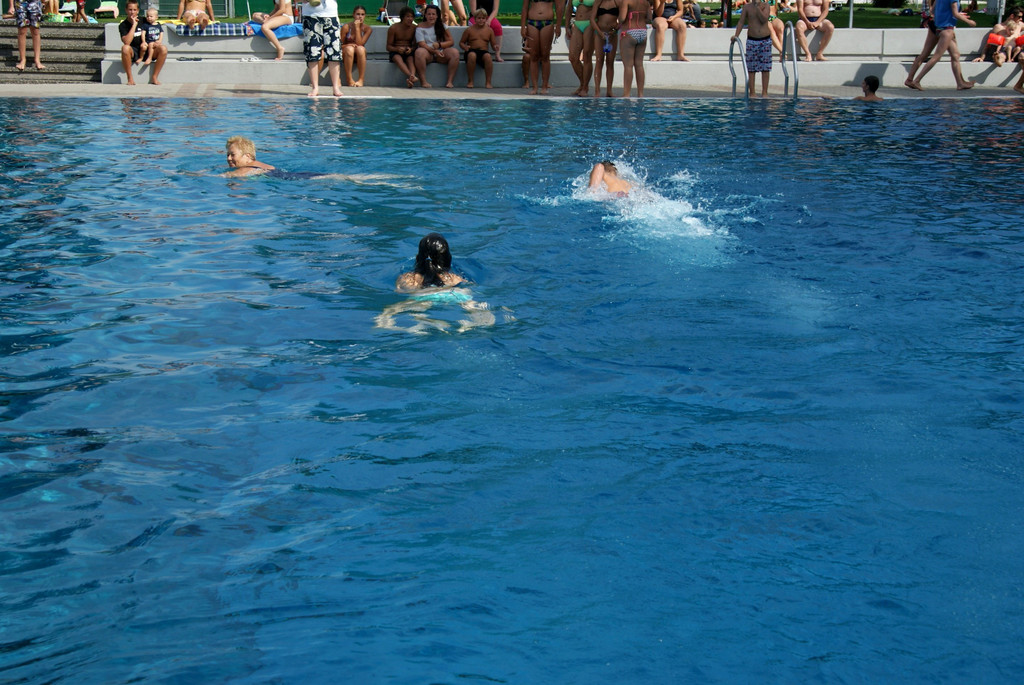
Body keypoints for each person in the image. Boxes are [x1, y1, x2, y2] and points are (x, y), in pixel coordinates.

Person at [907, 0, 975, 90]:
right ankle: (917, 80)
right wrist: (969, 22)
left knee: (955, 55)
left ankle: (960, 83)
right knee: (937, 57)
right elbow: (955, 14)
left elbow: (932, 10)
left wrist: (948, 15)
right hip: (946, 28)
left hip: (935, 25)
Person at [303, 0, 344, 96]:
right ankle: (315, 87)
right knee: (312, 52)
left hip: (331, 15)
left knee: (334, 53)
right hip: (311, 16)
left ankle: (336, 87)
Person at [120, 0, 166, 85]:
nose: (132, 12)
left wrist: (158, 41)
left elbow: (156, 28)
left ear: (138, 10)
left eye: (134, 10)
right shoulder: (123, 25)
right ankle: (130, 78)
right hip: (134, 51)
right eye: (130, 10)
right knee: (125, 48)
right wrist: (134, 25)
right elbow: (127, 42)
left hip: (148, 49)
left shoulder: (145, 20)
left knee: (163, 49)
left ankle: (154, 77)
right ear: (126, 10)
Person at [521, 0, 563, 94]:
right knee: (533, 55)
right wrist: (523, 26)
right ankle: (535, 87)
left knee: (545, 55)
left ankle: (544, 86)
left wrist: (558, 25)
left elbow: (559, 7)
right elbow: (525, 7)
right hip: (532, 22)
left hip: (547, 22)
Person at [414, 4, 460, 88]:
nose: (431, 16)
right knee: (419, 52)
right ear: (425, 15)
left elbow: (451, 41)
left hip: (441, 51)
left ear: (437, 16)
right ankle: (423, 82)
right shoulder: (420, 27)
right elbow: (421, 44)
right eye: (429, 14)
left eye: (433, 14)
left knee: (455, 53)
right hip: (427, 52)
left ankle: (449, 82)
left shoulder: (442, 26)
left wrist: (439, 45)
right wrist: (434, 51)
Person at [732, 0, 770, 96]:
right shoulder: (747, 7)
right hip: (752, 40)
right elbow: (741, 22)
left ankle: (764, 92)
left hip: (765, 40)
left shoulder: (766, 6)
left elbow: (764, 20)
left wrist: (758, 8)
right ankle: (752, 92)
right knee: (751, 68)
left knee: (765, 68)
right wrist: (736, 35)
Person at [619, 0, 652, 97]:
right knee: (639, 64)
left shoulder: (627, 1)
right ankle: (640, 94)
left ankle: (626, 94)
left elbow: (622, 18)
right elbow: (649, 19)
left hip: (629, 31)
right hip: (642, 32)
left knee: (628, 66)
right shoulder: (646, 3)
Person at [461, 8, 497, 87]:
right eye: (479, 18)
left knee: (488, 56)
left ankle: (488, 82)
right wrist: (465, 47)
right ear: (475, 19)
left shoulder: (489, 30)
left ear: (486, 19)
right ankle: (470, 81)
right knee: (472, 55)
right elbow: (461, 42)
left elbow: (493, 44)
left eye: (483, 18)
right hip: (471, 50)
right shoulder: (469, 30)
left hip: (483, 52)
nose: (481, 20)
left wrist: (495, 47)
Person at [566, 0, 595, 96]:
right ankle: (582, 83)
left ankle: (585, 87)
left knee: (587, 56)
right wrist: (567, 27)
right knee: (573, 57)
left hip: (590, 23)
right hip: (577, 23)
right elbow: (569, 9)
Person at [387, 6, 419, 87]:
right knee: (397, 58)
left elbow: (416, 45)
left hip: (408, 51)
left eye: (412, 17)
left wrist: (411, 49)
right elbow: (388, 47)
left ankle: (411, 78)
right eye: (407, 16)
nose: (410, 19)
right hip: (395, 51)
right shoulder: (393, 28)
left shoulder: (414, 28)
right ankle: (411, 76)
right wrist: (397, 49)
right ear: (402, 18)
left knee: (410, 59)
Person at [591, 0, 618, 97]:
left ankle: (609, 90)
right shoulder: (598, 2)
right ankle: (597, 90)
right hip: (599, 34)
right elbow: (592, 19)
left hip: (612, 35)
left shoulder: (617, 2)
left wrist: (615, 30)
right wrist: (599, 32)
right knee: (599, 61)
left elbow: (623, 18)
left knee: (610, 62)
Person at [341, 5, 373, 86]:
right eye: (358, 14)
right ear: (353, 15)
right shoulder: (346, 27)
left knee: (360, 49)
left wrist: (357, 28)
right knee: (350, 49)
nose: (360, 17)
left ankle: (361, 79)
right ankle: (349, 79)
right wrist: (349, 45)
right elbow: (340, 45)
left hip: (359, 54)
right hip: (347, 53)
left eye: (362, 14)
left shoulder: (367, 29)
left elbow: (360, 44)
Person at [10, 0, 44, 71]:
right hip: (20, 2)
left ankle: (37, 60)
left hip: (35, 2)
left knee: (35, 30)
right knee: (22, 30)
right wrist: (11, 5)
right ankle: (22, 59)